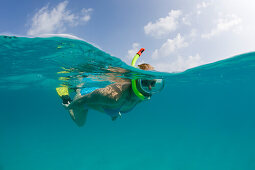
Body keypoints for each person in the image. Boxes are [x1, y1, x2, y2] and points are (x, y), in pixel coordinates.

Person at [56, 48, 165, 126]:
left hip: (108, 108)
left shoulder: (143, 96)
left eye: (153, 84)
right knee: (80, 123)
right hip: (84, 97)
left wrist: (114, 114)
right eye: (145, 83)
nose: (150, 89)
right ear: (136, 81)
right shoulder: (113, 96)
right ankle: (72, 94)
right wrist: (69, 106)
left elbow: (123, 105)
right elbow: (83, 100)